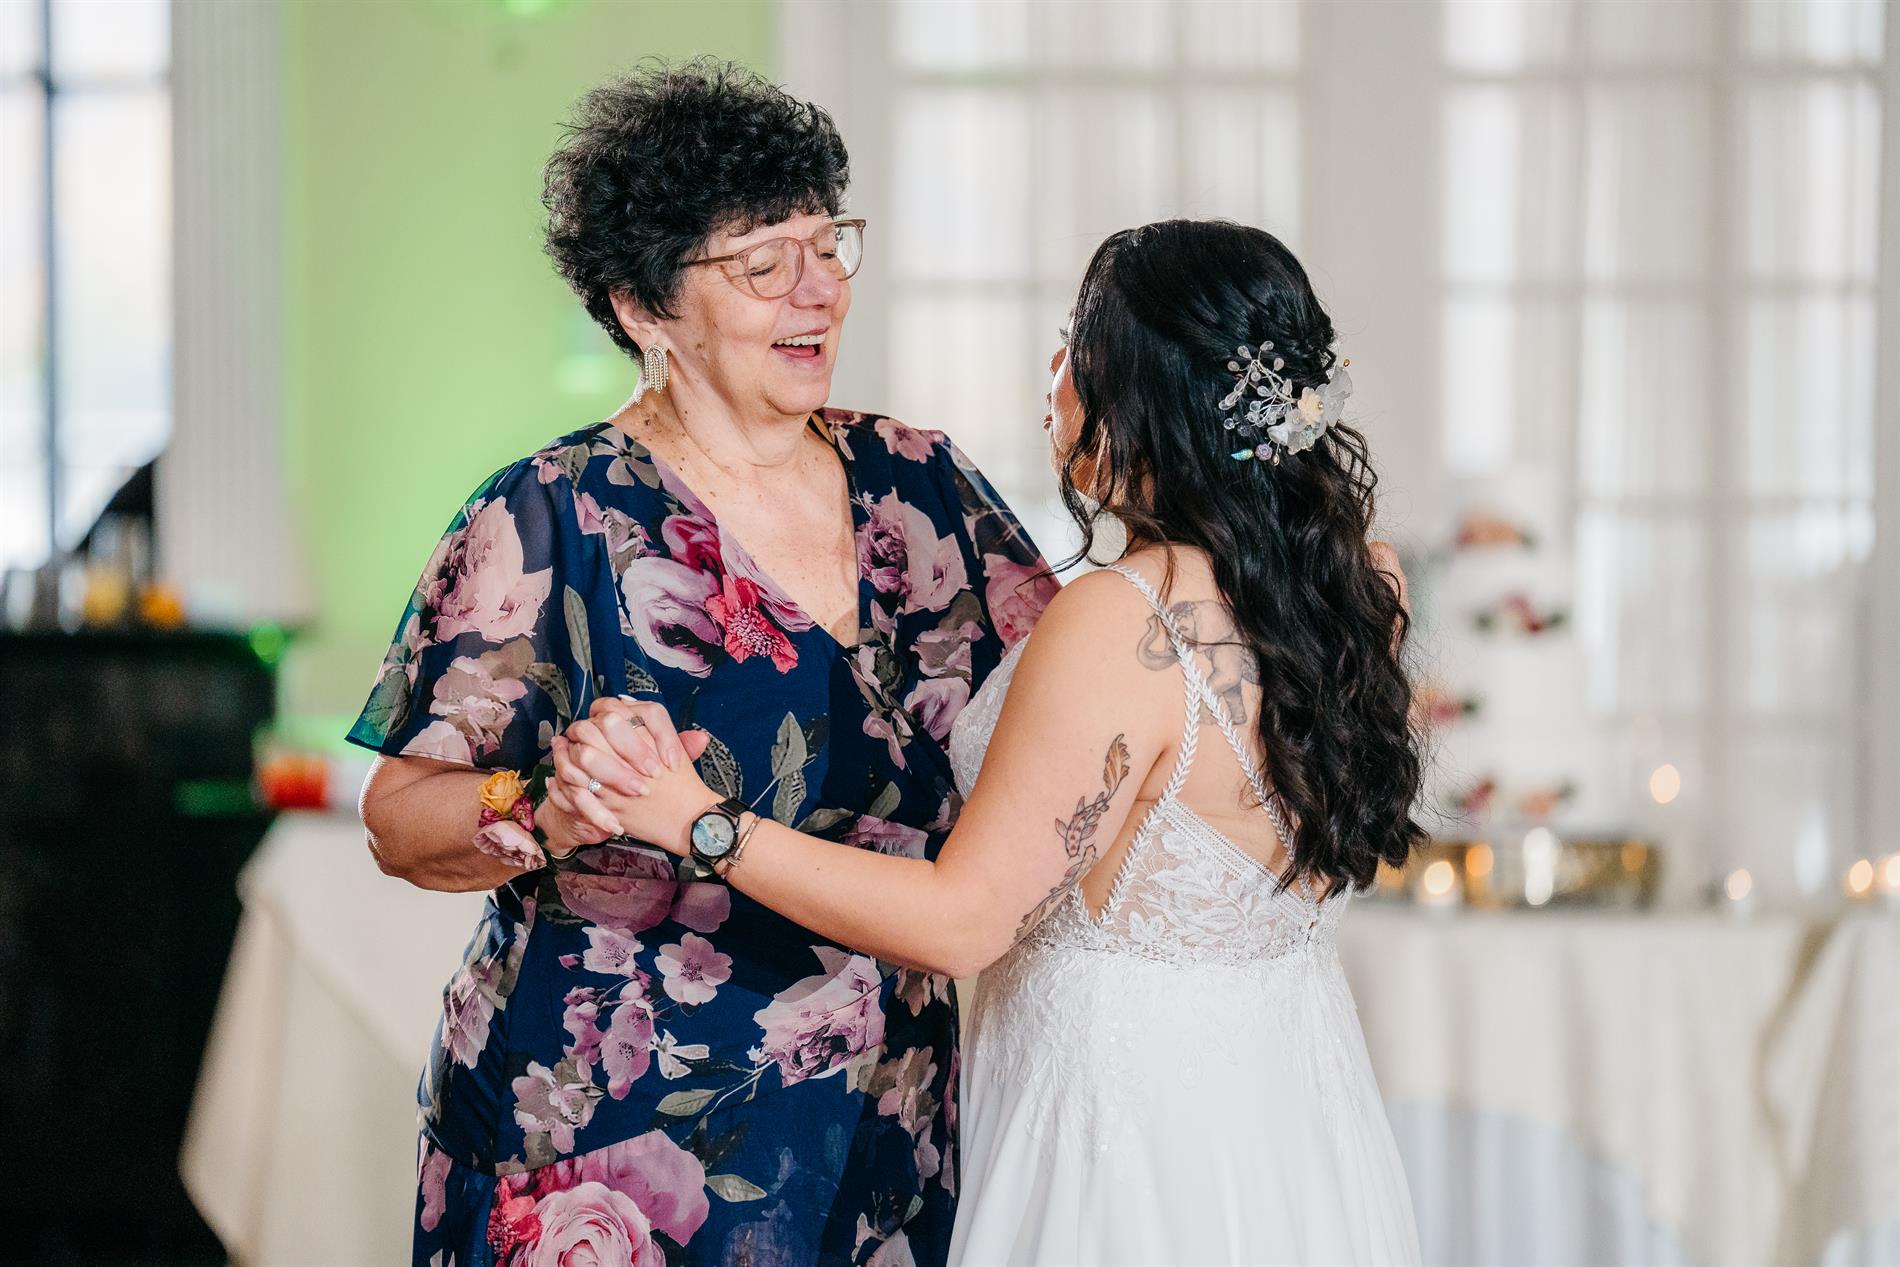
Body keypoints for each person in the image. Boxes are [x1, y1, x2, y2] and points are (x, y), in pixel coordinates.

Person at [561, 219, 1426, 1264]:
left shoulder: (1121, 619)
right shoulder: (1361, 584)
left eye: (1074, 344)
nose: (1053, 373)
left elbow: (963, 920)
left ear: (1137, 396)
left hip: (1129, 1134)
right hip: (1294, 1112)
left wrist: (694, 818)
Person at [351, 60, 1056, 1266]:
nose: (817, 288)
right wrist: (548, 805)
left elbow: (1079, 716)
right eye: (761, 263)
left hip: (885, 1121)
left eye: (826, 244)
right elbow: (397, 818)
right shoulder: (551, 513)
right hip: (607, 1144)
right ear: (644, 306)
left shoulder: (924, 485)